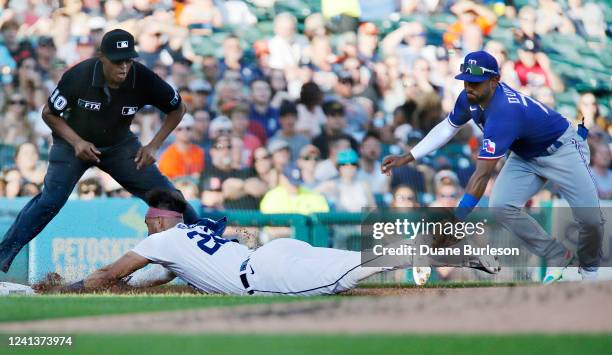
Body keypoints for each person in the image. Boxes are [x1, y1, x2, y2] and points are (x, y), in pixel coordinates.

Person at [381, 50, 604, 282]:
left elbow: (482, 175)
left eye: (476, 82)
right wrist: (408, 156)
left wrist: (455, 222)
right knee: (501, 206)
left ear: (494, 81)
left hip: (562, 149)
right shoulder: (469, 97)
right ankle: (556, 254)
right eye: (467, 80)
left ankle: (589, 272)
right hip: (525, 155)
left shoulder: (504, 112)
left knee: (590, 219)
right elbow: (448, 127)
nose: (469, 87)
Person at [0, 29, 199, 273]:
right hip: (71, 144)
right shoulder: (79, 75)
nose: (124, 67)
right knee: (50, 200)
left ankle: (208, 236)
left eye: (128, 60)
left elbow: (178, 109)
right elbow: (49, 114)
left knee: (167, 195)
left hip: (119, 145)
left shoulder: (144, 77)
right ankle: (3, 256)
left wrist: (154, 144)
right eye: (117, 61)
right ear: (102, 57)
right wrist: (76, 142)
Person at [62, 188, 397, 295]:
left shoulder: (160, 240)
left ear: (160, 221)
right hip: (272, 252)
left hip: (262, 275)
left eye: (149, 224)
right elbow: (157, 277)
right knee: (353, 258)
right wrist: (129, 287)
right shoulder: (190, 234)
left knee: (342, 277)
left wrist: (72, 288)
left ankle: (414, 251)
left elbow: (109, 272)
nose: (148, 230)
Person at [158, 114, 205, 180]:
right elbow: (171, 181)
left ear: (193, 130)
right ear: (173, 131)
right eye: (179, 129)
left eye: (188, 128)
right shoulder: (168, 156)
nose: (184, 132)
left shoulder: (199, 152)